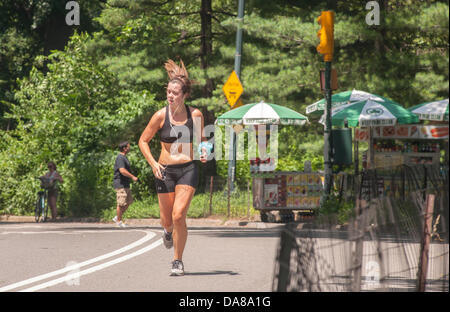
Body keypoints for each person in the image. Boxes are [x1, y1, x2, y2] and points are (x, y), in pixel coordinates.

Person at [139, 59, 210, 276]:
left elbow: (203, 140)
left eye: (175, 93)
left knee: (179, 215)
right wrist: (153, 164)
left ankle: (177, 260)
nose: (170, 96)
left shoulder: (195, 115)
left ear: (184, 94)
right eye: (168, 92)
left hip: (188, 169)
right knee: (167, 220)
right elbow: (143, 141)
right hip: (164, 171)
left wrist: (205, 150)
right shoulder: (161, 116)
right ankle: (167, 232)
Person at [113, 141, 138, 228]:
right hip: (120, 183)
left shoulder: (124, 157)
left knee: (128, 201)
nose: (130, 148)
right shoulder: (120, 158)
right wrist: (132, 177)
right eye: (128, 146)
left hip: (125, 183)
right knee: (121, 203)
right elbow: (122, 170)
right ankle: (119, 221)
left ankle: (117, 217)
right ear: (124, 148)